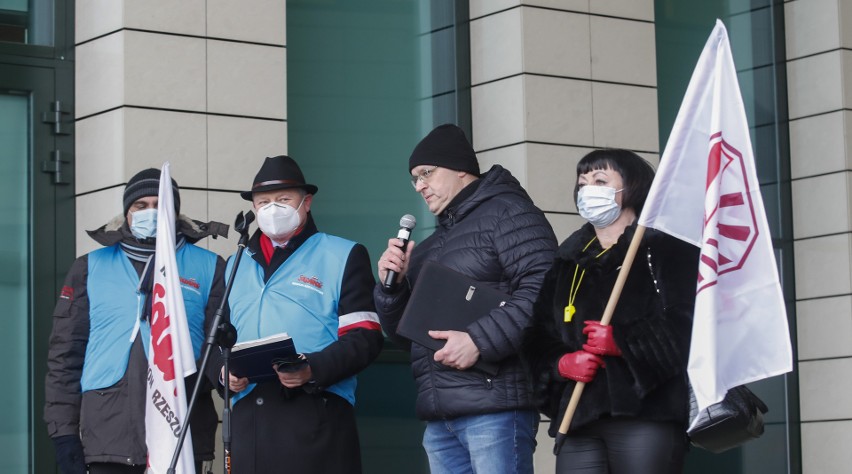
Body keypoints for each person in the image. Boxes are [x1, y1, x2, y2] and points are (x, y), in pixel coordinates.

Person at [374, 124, 558, 474]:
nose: (419, 186)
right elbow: (406, 334)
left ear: (461, 168)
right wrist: (391, 288)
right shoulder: (429, 246)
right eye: (414, 178)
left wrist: (478, 341)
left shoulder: (508, 212)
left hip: (495, 408)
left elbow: (544, 288)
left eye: (427, 173)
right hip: (440, 417)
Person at [521, 149, 701, 474]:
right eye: (583, 182)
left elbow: (691, 323)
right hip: (579, 415)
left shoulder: (666, 247)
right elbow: (535, 336)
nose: (588, 189)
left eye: (600, 180)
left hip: (646, 414)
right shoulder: (567, 260)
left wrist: (622, 342)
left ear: (631, 187)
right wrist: (562, 363)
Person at [44, 168, 228, 474]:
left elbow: (219, 351)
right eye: (140, 206)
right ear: (126, 212)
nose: (150, 213)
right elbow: (65, 358)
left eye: (160, 205)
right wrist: (63, 434)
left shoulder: (210, 267)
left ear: (175, 212)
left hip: (183, 434)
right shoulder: (89, 268)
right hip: (108, 439)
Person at [220, 155, 384, 474]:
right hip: (248, 426)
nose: (272, 208)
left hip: (315, 416)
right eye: (263, 201)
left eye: (283, 199)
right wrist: (222, 374)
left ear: (306, 203)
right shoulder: (234, 264)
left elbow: (365, 336)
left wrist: (312, 368)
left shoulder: (343, 254)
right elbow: (216, 337)